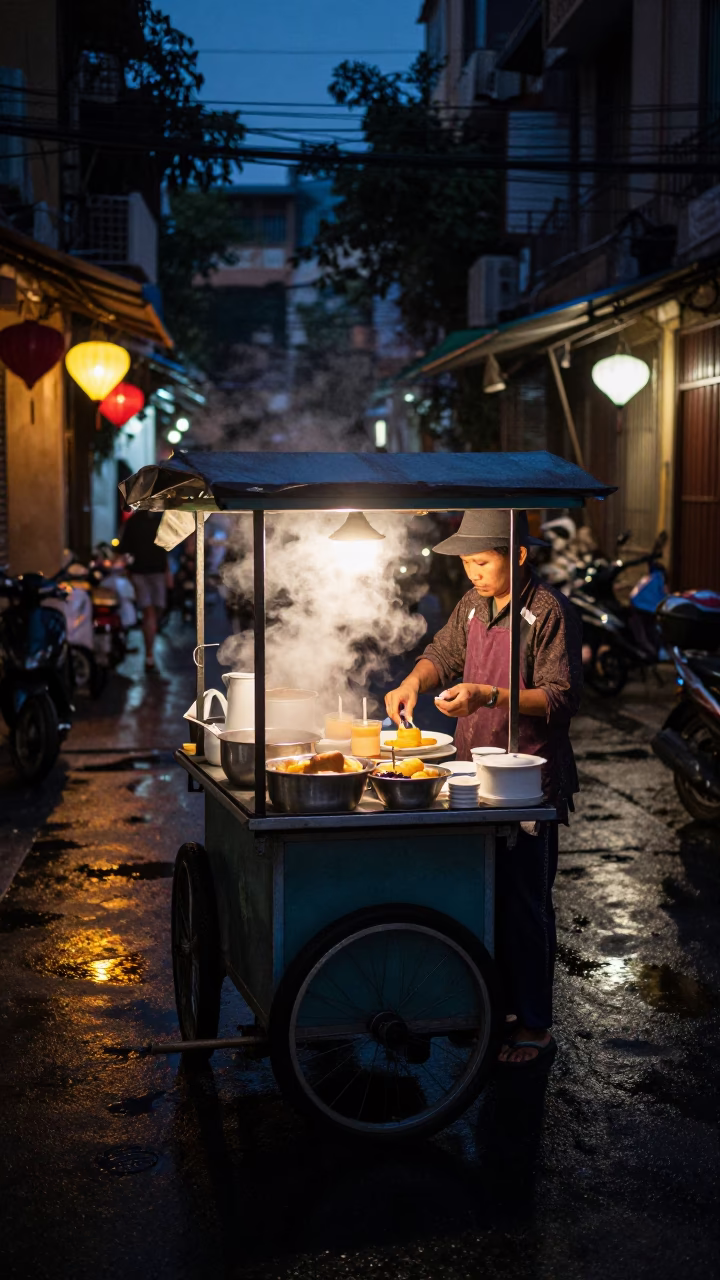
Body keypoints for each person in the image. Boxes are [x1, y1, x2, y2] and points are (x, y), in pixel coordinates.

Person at [385, 509, 582, 1068]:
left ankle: (536, 1026)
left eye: (482, 561)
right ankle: (495, 1010)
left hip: (530, 780)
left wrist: (488, 696)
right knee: (478, 897)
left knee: (524, 903)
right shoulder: (473, 606)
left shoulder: (547, 612)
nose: (472, 572)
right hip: (474, 772)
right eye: (467, 562)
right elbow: (443, 655)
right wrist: (411, 683)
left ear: (517, 555)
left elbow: (561, 698)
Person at [119, 510, 169, 670]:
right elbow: (125, 549)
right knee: (150, 613)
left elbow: (165, 548)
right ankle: (149, 656)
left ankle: (149, 645)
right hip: (141, 572)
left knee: (155, 611)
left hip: (154, 571)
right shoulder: (136, 521)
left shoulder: (159, 518)